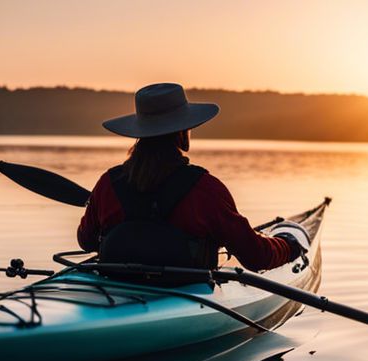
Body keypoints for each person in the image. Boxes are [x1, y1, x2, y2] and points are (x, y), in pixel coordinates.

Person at [77, 83, 306, 272]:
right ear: (181, 133)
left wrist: (98, 207)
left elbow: (85, 241)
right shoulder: (207, 190)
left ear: (139, 133)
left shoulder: (108, 184)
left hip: (116, 291)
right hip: (189, 297)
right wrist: (289, 245)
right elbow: (258, 257)